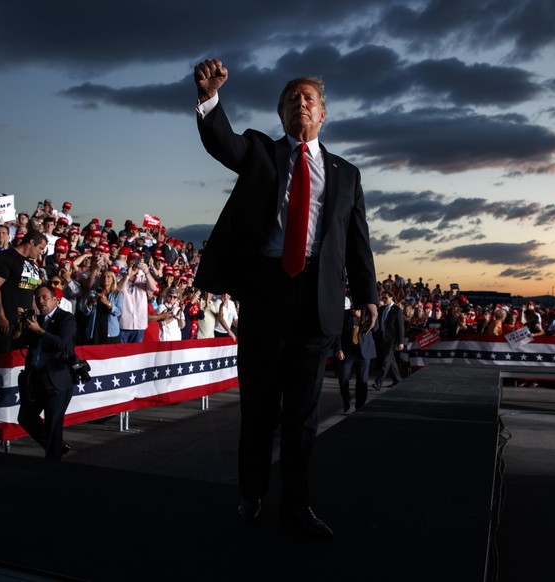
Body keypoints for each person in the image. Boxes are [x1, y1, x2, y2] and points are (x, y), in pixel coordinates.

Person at [193, 58, 378, 538]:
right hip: (266, 290)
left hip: (318, 298)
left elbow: (357, 239)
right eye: (292, 98)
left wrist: (367, 294)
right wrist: (210, 98)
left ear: (323, 115)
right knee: (259, 405)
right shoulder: (260, 152)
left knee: (302, 414)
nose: (301, 103)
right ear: (281, 114)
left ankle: (297, 504)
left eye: (309, 98)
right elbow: (222, 143)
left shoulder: (347, 174)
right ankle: (251, 495)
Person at [13, 284, 76, 459]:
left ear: (56, 300)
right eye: (37, 298)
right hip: (36, 380)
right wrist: (19, 326)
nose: (41, 302)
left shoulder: (66, 318)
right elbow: (17, 343)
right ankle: (57, 446)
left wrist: (40, 332)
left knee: (53, 425)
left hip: (57, 379)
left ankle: (52, 463)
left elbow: (62, 344)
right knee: (26, 418)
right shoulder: (35, 320)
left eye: (44, 298)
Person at [0, 230, 46, 352]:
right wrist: (1, 316)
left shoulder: (32, 264)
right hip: (6, 322)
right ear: (32, 242)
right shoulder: (5, 257)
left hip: (26, 323)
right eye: (40, 248)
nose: (41, 252)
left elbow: (30, 291)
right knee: (3, 360)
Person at [334, 302, 378, 412]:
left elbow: (376, 328)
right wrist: (339, 349)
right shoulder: (345, 314)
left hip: (364, 352)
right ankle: (346, 399)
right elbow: (338, 332)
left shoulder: (370, 313)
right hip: (348, 351)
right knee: (343, 377)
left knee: (362, 380)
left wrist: (364, 317)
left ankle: (360, 406)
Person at [374, 290, 404, 389]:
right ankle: (398, 380)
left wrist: (401, 341)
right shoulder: (382, 309)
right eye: (383, 298)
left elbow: (400, 327)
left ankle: (378, 382)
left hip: (392, 340)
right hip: (382, 337)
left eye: (386, 298)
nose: (384, 299)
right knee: (391, 360)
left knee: (386, 361)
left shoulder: (397, 310)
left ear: (391, 297)